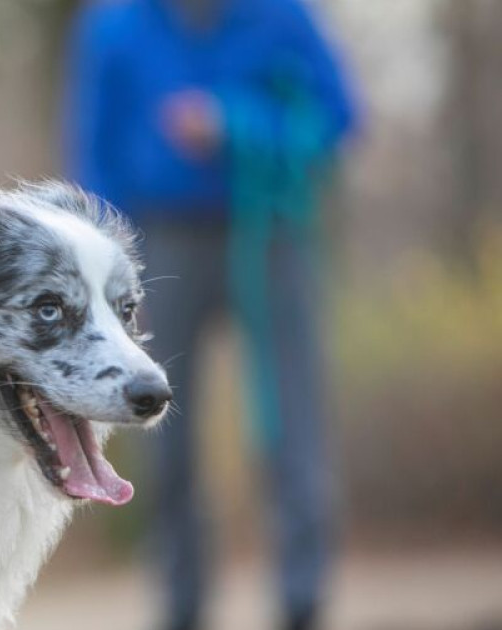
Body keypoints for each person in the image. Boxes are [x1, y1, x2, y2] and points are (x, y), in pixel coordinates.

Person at [63, 1, 358, 629]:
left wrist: (235, 122)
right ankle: (180, 604)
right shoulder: (113, 26)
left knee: (293, 422)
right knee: (157, 424)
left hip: (271, 230)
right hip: (155, 242)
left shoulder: (284, 15)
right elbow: (93, 153)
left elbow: (338, 117)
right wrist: (102, 258)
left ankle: (304, 600)